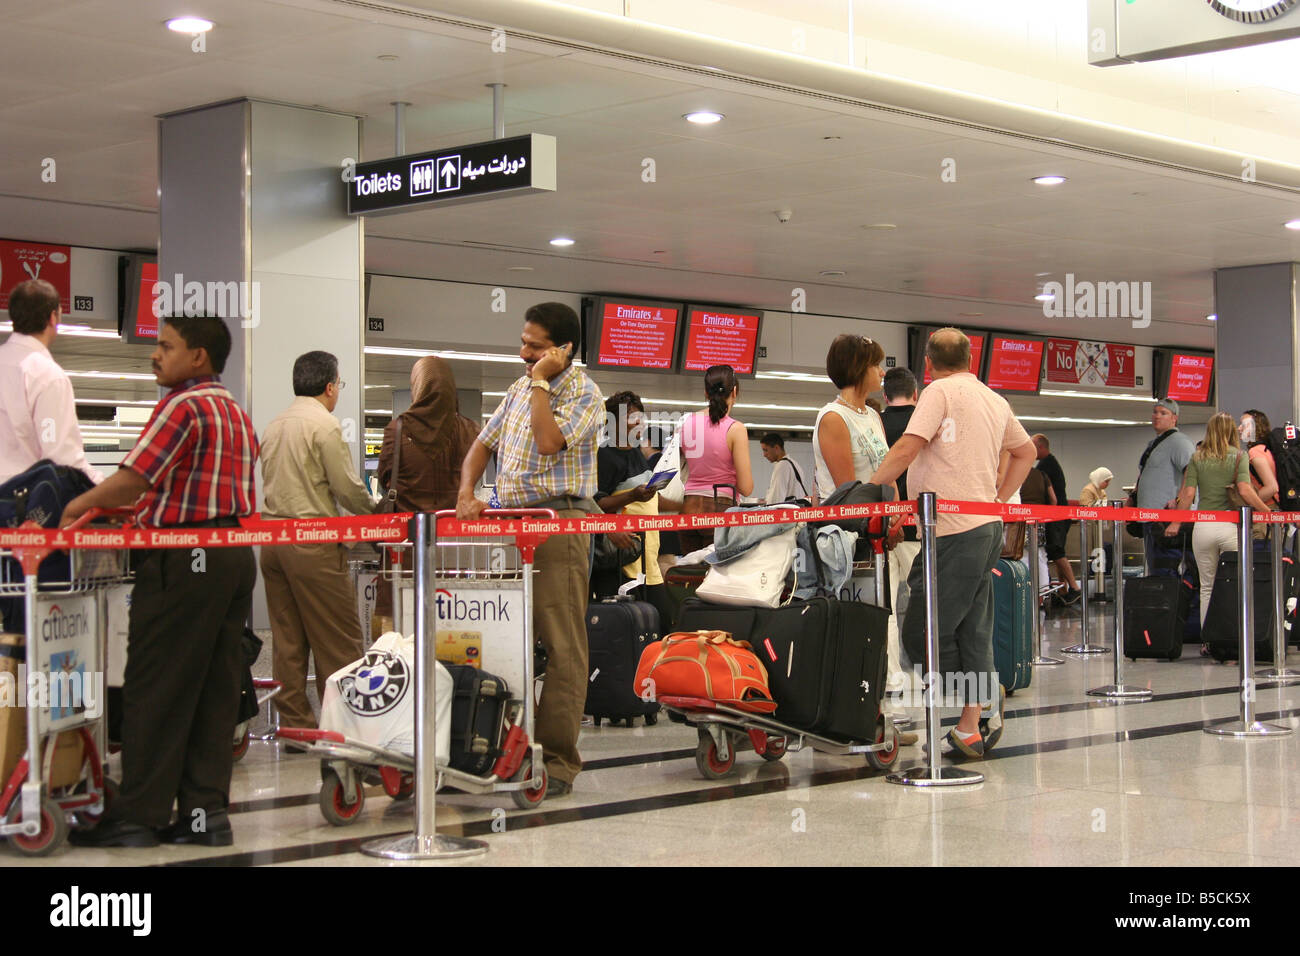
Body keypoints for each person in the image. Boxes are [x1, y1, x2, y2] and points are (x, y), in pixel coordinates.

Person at [63, 315, 258, 848]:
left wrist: (74, 505)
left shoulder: (183, 405)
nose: (155, 354)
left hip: (185, 559)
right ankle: (204, 814)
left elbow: (134, 480)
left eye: (166, 346)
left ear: (197, 356)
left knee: (157, 683)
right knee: (213, 691)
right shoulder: (236, 411)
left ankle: (138, 816)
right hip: (233, 556)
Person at [457, 302, 603, 797]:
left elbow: (547, 442)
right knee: (502, 637)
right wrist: (465, 492)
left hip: (558, 522)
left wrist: (542, 382)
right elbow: (482, 444)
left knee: (562, 645)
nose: (523, 354)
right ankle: (503, 742)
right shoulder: (517, 389)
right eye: (523, 342)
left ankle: (558, 760)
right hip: (511, 524)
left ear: (562, 350)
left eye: (534, 347)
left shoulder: (584, 393)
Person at [870, 328, 1035, 759]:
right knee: (972, 628)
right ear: (970, 359)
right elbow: (1026, 452)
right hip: (986, 528)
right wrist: (999, 497)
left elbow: (909, 445)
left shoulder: (938, 393)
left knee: (922, 629)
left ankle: (976, 703)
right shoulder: (994, 399)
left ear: (928, 363)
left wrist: (869, 488)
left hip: (952, 532)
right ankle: (972, 723)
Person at [259, 351, 376, 731]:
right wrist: (373, 513)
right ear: (330, 387)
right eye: (339, 385)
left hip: (272, 543)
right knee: (338, 639)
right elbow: (345, 487)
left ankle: (296, 727)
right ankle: (345, 726)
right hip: (312, 543)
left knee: (288, 641)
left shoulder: (274, 425)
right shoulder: (323, 425)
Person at [813, 335, 902, 700]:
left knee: (888, 617)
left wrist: (896, 515)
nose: (881, 372)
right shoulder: (833, 418)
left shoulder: (873, 416)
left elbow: (888, 471)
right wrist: (877, 522)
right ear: (858, 368)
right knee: (865, 620)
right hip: (854, 540)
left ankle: (885, 701)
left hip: (883, 533)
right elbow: (847, 490)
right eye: (875, 365)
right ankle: (866, 701)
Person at [374, 356, 479, 627]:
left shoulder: (397, 430)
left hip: (405, 549)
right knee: (451, 625)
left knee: (398, 627)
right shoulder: (471, 431)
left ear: (417, 387)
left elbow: (387, 480)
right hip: (453, 550)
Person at [1164, 412, 1271, 628]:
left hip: (1203, 528)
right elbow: (1245, 491)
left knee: (1206, 587)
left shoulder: (1197, 458)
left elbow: (1187, 494)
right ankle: (1233, 638)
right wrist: (1266, 512)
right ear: (1231, 430)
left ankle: (1208, 639)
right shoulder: (1239, 456)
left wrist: (1176, 523)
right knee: (1235, 586)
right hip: (1231, 528)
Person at [0, 278, 100, 483]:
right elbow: (60, 457)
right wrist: (103, 488)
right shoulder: (47, 376)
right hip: (21, 505)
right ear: (53, 318)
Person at [595, 391, 671, 625]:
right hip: (624, 558)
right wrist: (632, 495)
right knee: (641, 625)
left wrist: (679, 505)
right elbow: (598, 503)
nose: (638, 422)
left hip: (649, 556)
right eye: (631, 417)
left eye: (640, 416)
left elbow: (645, 499)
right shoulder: (606, 455)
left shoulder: (636, 453)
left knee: (664, 622)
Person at [678, 365, 753, 555]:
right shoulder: (736, 429)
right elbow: (746, 487)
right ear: (735, 391)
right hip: (720, 508)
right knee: (718, 576)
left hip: (687, 507)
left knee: (691, 575)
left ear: (705, 392)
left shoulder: (687, 422)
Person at [880, 367, 920, 702]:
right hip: (920, 528)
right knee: (930, 604)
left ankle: (893, 680)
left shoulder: (874, 423)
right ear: (916, 394)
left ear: (885, 395)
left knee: (887, 609)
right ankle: (931, 673)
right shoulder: (925, 423)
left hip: (882, 529)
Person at [1135, 398, 1196, 577]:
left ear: (1174, 418)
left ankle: (1174, 603)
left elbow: (1190, 475)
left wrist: (1178, 507)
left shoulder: (1180, 442)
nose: (1157, 416)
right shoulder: (1154, 444)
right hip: (1150, 518)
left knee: (1166, 567)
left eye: (1163, 413)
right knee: (1155, 567)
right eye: (1155, 412)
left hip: (1165, 519)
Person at [1032, 435, 1080, 604]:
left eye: (1033, 446)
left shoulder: (1045, 467)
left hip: (1056, 515)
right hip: (1061, 513)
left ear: (1041, 447)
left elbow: (1051, 497)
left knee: (1056, 550)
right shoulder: (1051, 463)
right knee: (1059, 551)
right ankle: (1064, 590)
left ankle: (1074, 587)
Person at [1239, 409, 1279, 509]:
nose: (1239, 428)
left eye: (1243, 425)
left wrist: (1250, 501)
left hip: (1267, 509)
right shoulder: (1266, 448)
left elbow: (1272, 487)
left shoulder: (1255, 452)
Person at [759, 433, 808, 504]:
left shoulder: (782, 466)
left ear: (776, 448)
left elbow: (776, 497)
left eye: (765, 450)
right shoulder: (794, 464)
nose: (764, 455)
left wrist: (767, 508)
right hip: (796, 509)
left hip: (785, 512)